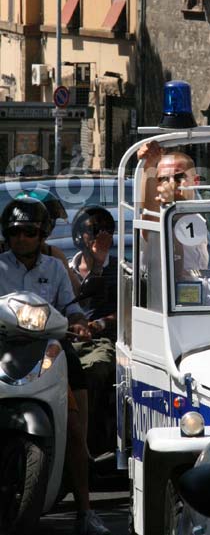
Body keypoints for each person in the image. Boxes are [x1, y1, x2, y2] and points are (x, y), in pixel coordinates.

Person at [0, 197, 109, 535]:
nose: (22, 239)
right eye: (15, 232)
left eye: (29, 232)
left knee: (74, 430)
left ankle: (86, 512)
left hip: (49, 348)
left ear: (43, 234)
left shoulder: (54, 268)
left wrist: (79, 323)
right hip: (3, 348)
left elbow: (70, 309)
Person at [69, 205, 117, 458]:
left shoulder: (121, 270)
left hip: (102, 342)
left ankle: (89, 443)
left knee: (94, 368)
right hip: (68, 339)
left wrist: (99, 324)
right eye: (92, 229)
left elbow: (129, 313)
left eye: (105, 230)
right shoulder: (65, 269)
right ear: (79, 234)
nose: (98, 236)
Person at [137, 141, 209, 278]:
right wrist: (149, 166)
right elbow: (150, 229)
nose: (171, 183)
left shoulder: (198, 216)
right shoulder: (157, 213)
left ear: (196, 181)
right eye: (163, 178)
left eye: (179, 177)